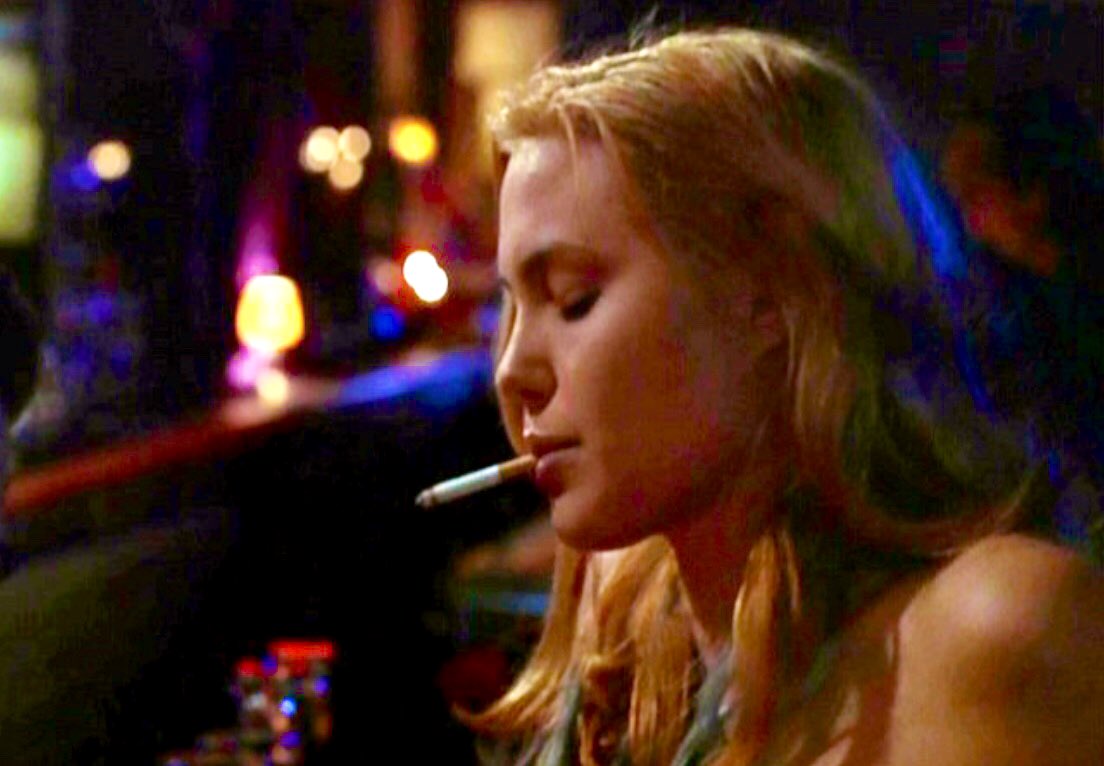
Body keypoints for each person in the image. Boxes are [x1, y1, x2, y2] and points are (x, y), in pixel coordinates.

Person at [461, 27, 1104, 765]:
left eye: (573, 299)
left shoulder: (995, 630)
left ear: (773, 287)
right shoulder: (633, 635)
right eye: (511, 305)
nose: (511, 371)